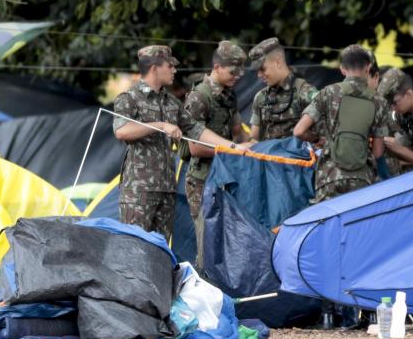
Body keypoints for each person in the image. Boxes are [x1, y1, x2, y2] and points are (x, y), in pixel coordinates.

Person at [293, 44, 389, 328]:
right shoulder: (378, 101)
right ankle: (366, 311)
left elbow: (299, 130)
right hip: (362, 182)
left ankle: (329, 312)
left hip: (329, 180)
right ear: (369, 68)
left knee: (328, 242)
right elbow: (379, 152)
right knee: (361, 243)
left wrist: (319, 140)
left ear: (342, 68)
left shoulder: (327, 93)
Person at [113, 45, 247, 243]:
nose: (174, 70)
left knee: (161, 248)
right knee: (133, 248)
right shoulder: (129, 98)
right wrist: (160, 125)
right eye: (170, 66)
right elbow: (121, 130)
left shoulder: (172, 102)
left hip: (167, 189)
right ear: (154, 68)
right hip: (139, 191)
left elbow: (197, 130)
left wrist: (232, 147)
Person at [184, 40, 249, 220]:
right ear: (217, 67)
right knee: (207, 235)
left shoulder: (229, 95)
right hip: (202, 182)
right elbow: (195, 147)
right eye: (233, 72)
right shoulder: (199, 97)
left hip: (225, 177)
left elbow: (239, 132)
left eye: (240, 73)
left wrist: (256, 147)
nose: (237, 77)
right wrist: (234, 150)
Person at [248, 38, 318, 142]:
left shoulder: (305, 92)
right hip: (267, 151)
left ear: (278, 62)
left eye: (262, 69)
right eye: (258, 71)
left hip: (297, 152)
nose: (259, 75)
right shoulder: (261, 97)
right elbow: (254, 138)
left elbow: (323, 133)